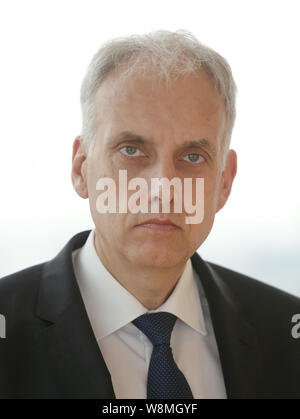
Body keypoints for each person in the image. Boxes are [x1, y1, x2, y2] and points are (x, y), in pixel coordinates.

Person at [0, 30, 300, 400]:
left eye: (193, 157)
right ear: (82, 169)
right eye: (132, 150)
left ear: (224, 182)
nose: (162, 188)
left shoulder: (287, 335)